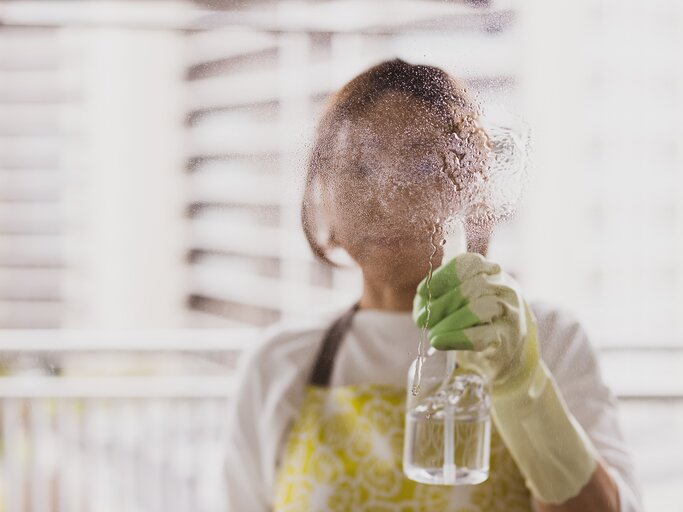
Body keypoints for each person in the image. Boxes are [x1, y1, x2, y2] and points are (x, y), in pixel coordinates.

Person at [223, 59, 642, 511]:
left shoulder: (548, 338)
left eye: (422, 166)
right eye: (359, 168)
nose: (387, 196)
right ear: (323, 192)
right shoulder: (278, 363)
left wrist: (522, 385)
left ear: (471, 187)